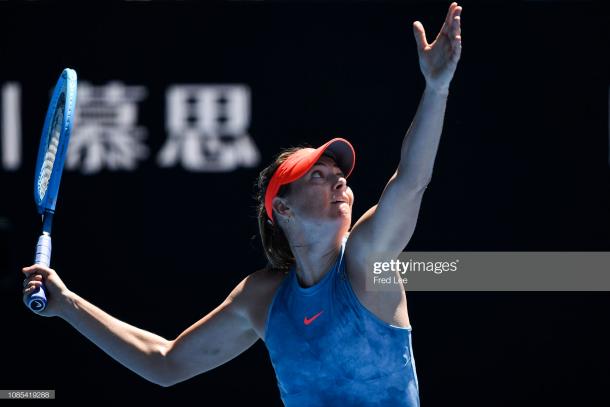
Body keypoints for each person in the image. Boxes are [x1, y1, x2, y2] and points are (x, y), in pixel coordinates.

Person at [22, 3, 462, 406]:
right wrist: (67, 304)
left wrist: (436, 90)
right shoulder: (262, 298)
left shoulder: (367, 262)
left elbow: (411, 182)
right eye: (318, 175)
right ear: (283, 209)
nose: (340, 180)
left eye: (340, 174)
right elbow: (164, 362)